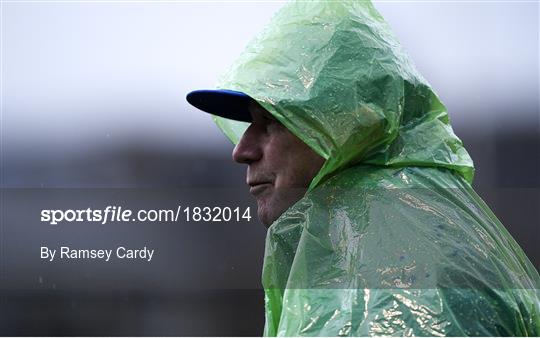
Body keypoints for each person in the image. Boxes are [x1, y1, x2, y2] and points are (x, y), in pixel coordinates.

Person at [187, 0, 540, 336]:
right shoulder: (365, 245)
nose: (241, 150)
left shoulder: (406, 285)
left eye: (270, 123)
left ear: (345, 125)